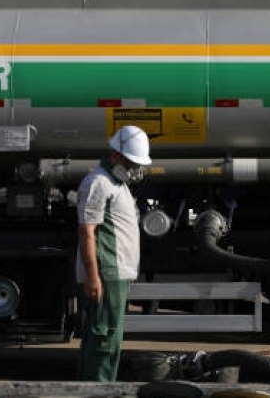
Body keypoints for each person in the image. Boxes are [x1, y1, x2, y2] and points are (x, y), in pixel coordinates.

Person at [75, 125, 152, 381]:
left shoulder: (117, 184)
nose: (135, 169)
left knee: (106, 340)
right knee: (103, 341)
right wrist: (93, 277)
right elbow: (87, 232)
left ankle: (95, 389)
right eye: (131, 162)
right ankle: (98, 391)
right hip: (107, 274)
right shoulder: (98, 182)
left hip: (115, 274)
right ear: (116, 155)